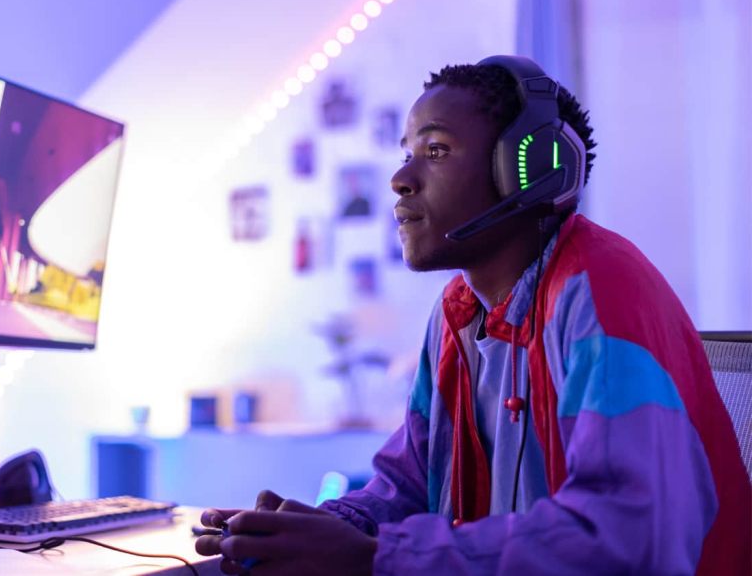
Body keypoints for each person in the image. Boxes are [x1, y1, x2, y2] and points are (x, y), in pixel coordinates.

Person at [195, 58, 751, 575]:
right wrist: (313, 528)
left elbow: (624, 533)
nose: (401, 178)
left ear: (531, 171)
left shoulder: (601, 291)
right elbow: (408, 483)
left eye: (435, 151)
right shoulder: (457, 315)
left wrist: (373, 558)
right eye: (406, 152)